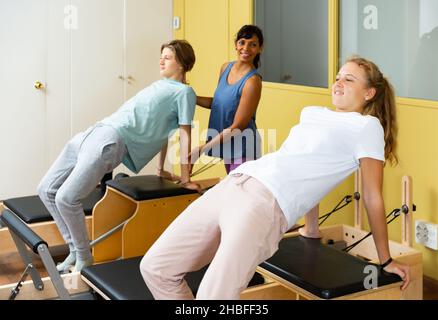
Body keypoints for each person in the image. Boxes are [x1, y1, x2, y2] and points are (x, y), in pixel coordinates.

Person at [139, 56, 410, 300]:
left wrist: (385, 260)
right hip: (235, 183)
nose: (338, 83)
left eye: (349, 79)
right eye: (338, 77)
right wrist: (311, 229)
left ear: (369, 93)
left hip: (264, 205)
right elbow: (305, 164)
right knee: (155, 268)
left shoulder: (367, 127)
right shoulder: (312, 113)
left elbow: (373, 196)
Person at [37, 40, 200, 272]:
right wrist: (159, 168)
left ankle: (84, 258)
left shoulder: (184, 92)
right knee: (46, 190)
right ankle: (75, 251)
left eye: (168, 57)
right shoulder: (160, 85)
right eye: (161, 55)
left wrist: (185, 177)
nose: (161, 60)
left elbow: (183, 134)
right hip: (91, 133)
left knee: (66, 198)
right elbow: (165, 131)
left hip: (110, 139)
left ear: (183, 64)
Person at [190, 25, 264, 174]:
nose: (246, 48)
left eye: (253, 44)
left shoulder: (252, 82)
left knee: (240, 194)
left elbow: (238, 126)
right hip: (226, 143)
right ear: (236, 44)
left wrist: (202, 149)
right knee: (234, 190)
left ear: (259, 49)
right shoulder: (225, 68)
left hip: (243, 147)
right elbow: (218, 104)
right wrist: (192, 97)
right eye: (242, 42)